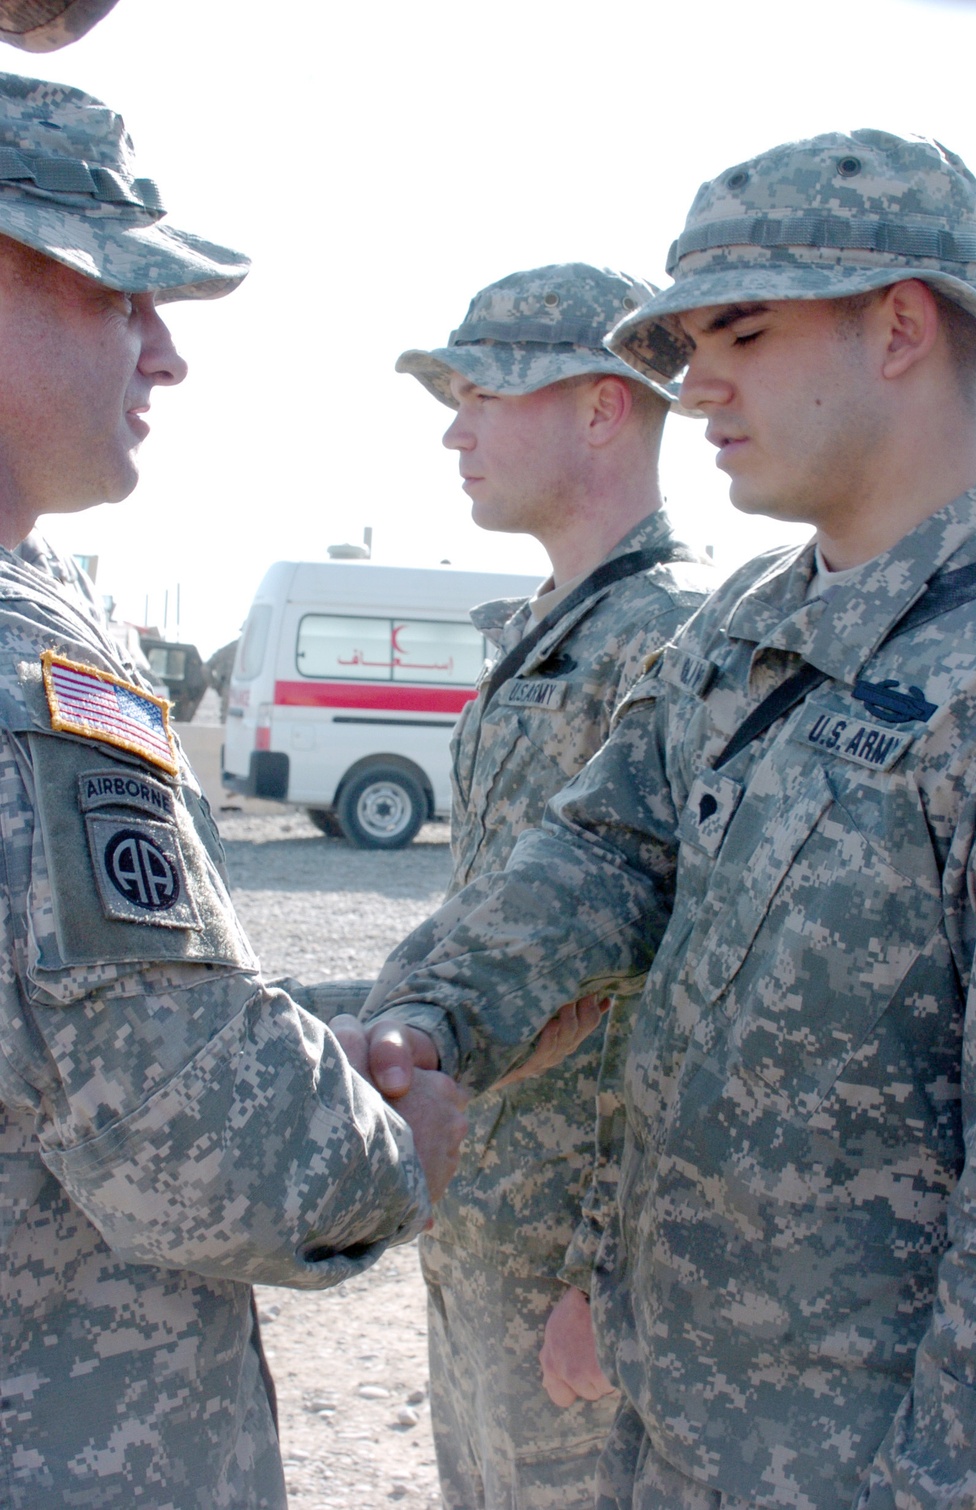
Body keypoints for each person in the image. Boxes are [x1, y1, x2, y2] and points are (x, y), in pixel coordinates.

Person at [348, 129, 976, 1508]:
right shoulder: (742, 631)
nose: (696, 385)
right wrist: (435, 1016)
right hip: (672, 1433)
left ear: (901, 328)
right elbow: (602, 851)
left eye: (743, 335)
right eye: (690, 345)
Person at [0, 71, 467, 1510]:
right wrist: (403, 1139)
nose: (166, 356)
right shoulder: (27, 682)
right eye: (120, 293)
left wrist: (299, 1032)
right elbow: (205, 1148)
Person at [383, 264, 715, 1509]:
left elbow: (685, 994)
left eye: (484, 394)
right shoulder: (547, 628)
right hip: (482, 1219)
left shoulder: (669, 640)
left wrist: (606, 1271)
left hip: (565, 1265)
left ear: (601, 406)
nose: (455, 432)